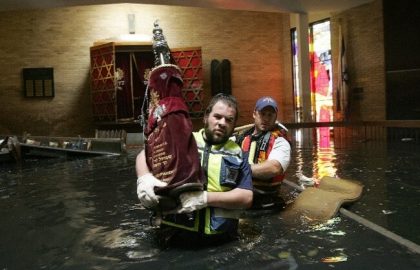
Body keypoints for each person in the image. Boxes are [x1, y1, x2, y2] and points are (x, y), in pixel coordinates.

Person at [136, 93, 253, 246]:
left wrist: (204, 199)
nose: (222, 123)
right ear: (206, 117)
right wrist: (144, 179)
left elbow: (246, 197)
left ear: (234, 124)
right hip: (175, 237)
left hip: (221, 241)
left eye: (229, 120)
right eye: (217, 116)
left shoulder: (239, 154)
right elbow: (144, 154)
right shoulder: (183, 141)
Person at [235, 96, 291, 209]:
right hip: (239, 198)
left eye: (270, 115)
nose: (266, 119)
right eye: (262, 114)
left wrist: (239, 169)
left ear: (275, 117)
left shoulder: (281, 142)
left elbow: (274, 168)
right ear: (254, 114)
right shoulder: (240, 138)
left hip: (265, 205)